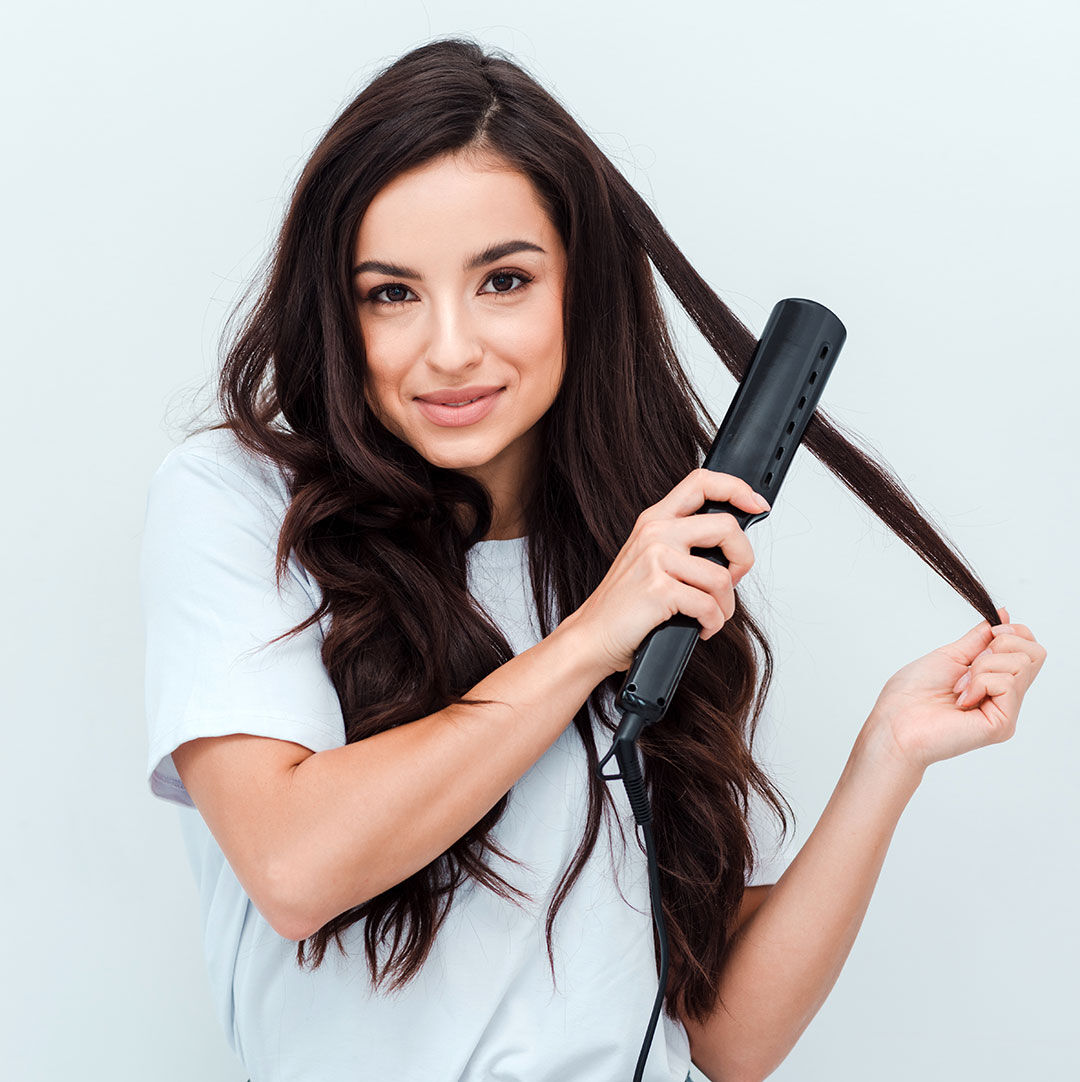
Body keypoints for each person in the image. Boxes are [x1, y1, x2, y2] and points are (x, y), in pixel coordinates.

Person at [139, 37, 1047, 1082]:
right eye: (391, 293)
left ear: (582, 286)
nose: (449, 348)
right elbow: (296, 864)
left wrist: (887, 753)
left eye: (504, 281)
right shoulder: (244, 504)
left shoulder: (646, 553)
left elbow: (729, 1035)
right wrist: (588, 639)